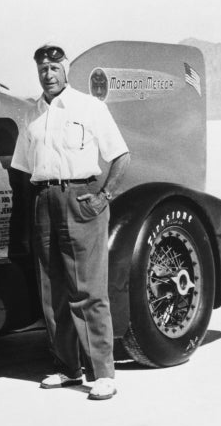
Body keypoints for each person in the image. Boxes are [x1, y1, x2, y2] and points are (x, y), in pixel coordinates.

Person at [11, 43, 131, 400]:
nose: (48, 75)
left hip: (81, 199)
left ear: (66, 69)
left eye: (54, 68)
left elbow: (120, 155)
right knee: (53, 291)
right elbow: (21, 168)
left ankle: (103, 373)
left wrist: (104, 196)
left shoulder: (89, 107)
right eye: (42, 70)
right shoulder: (31, 115)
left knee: (88, 290)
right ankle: (68, 368)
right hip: (44, 200)